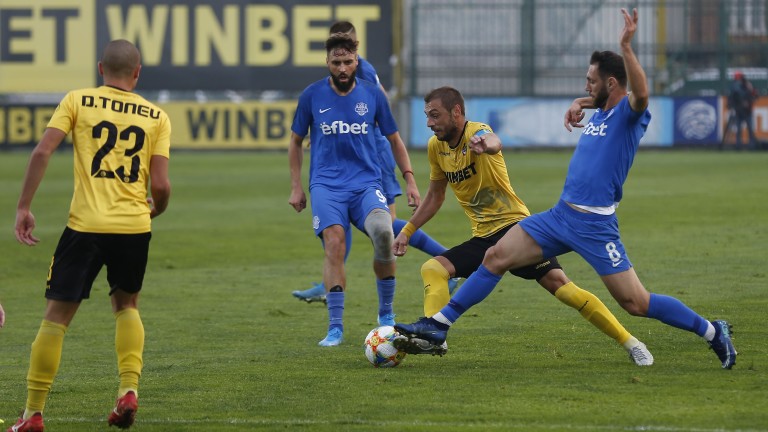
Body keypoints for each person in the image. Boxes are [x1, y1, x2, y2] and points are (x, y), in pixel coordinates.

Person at [395, 9, 737, 370]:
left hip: (594, 224)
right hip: (560, 216)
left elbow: (640, 94)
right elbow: (602, 98)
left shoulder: (629, 115)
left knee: (636, 303)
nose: (585, 85)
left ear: (611, 83)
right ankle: (437, 326)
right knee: (495, 257)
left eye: (591, 80)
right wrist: (582, 103)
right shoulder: (602, 111)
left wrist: (626, 47)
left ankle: (713, 331)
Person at [391, 86, 652, 365]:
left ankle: (631, 342)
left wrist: (486, 145)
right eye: (427, 116)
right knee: (433, 268)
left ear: (456, 112)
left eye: (435, 115)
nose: (429, 122)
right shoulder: (436, 147)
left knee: (563, 289)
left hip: (516, 229)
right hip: (483, 237)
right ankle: (433, 336)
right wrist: (407, 231)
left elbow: (493, 140)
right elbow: (435, 197)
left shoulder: (476, 131)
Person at [9, 39, 171, 431]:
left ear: (100, 68)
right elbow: (162, 186)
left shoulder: (77, 100)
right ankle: (128, 391)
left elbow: (43, 152)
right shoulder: (156, 115)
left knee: (56, 319)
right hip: (134, 227)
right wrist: (154, 210)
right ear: (137, 73)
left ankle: (32, 414)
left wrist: (24, 207)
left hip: (85, 226)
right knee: (127, 305)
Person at [291, 21, 456, 304]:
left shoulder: (362, 71)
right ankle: (329, 280)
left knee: (385, 226)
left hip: (373, 157)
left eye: (346, 48)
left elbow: (380, 109)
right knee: (340, 222)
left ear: (355, 47)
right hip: (354, 156)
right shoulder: (334, 78)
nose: (341, 58)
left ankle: (450, 264)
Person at [288, 33, 419, 347]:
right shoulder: (311, 95)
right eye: (337, 62)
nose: (343, 68)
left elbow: (395, 140)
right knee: (334, 242)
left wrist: (410, 179)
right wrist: (296, 186)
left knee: (384, 234)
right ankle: (335, 328)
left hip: (365, 185)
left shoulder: (373, 95)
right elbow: (295, 142)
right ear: (328, 63)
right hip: (326, 186)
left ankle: (386, 315)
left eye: (348, 62)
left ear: (357, 61)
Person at [727, 71, 759, 150]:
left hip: (745, 111)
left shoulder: (746, 85)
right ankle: (744, 146)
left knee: (745, 130)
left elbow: (755, 95)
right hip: (741, 111)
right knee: (745, 129)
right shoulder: (737, 86)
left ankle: (744, 146)